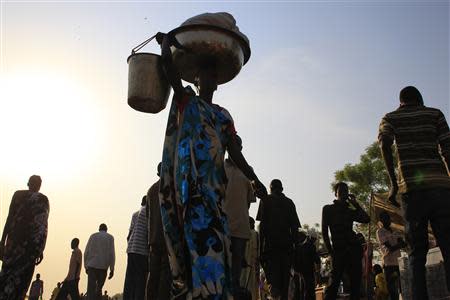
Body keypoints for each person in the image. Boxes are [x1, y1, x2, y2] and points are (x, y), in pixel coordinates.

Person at [156, 32, 267, 299]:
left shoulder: (222, 115)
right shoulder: (187, 103)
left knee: (217, 244)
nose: (210, 79)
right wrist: (166, 45)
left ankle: (213, 293)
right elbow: (170, 71)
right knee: (191, 243)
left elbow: (235, 152)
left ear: (217, 83)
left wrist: (254, 177)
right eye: (205, 74)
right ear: (196, 80)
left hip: (215, 194)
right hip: (190, 191)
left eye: (213, 76)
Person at [379, 86, 450, 299]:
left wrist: (393, 183)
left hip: (412, 192)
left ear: (401, 101)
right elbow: (447, 149)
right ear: (420, 100)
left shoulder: (390, 118)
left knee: (416, 255)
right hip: (440, 189)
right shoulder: (435, 114)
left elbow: (384, 143)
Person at [0, 175, 49, 300]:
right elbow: (42, 227)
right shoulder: (42, 200)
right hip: (29, 248)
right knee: (21, 282)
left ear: (28, 183)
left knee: (6, 278)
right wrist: (40, 249)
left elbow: (9, 218)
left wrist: (2, 242)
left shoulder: (18, 195)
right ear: (39, 185)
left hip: (13, 245)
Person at [321, 182, 370, 300]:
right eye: (341, 191)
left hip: (353, 250)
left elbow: (366, 219)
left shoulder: (349, 210)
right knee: (334, 284)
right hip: (338, 250)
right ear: (335, 193)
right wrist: (331, 252)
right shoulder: (328, 209)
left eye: (346, 191)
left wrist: (356, 205)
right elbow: (324, 232)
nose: (344, 193)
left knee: (355, 285)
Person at [223, 135, 257, 299]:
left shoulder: (248, 170)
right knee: (223, 258)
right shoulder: (219, 167)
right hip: (222, 222)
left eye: (238, 146)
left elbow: (250, 199)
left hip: (241, 222)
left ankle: (235, 285)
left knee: (237, 258)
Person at [257, 179, 301, 300]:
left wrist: (260, 249)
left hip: (271, 249)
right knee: (284, 284)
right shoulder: (289, 203)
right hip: (286, 249)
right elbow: (295, 229)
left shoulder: (266, 200)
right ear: (282, 189)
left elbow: (262, 227)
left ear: (270, 189)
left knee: (273, 285)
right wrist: (296, 250)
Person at [146, 163, 170, 300]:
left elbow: (148, 216)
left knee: (153, 275)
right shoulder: (169, 187)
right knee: (165, 275)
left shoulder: (151, 190)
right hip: (167, 237)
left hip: (153, 238)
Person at [123, 196, 148, 300]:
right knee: (140, 280)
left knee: (129, 279)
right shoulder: (148, 213)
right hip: (142, 251)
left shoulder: (135, 214)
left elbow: (129, 235)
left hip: (131, 249)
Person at [376, 212, 405, 300]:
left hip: (398, 263)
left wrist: (400, 244)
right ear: (381, 220)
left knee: (402, 288)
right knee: (392, 290)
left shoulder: (395, 231)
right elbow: (389, 248)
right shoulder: (380, 232)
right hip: (389, 264)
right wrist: (399, 245)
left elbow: (402, 243)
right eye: (385, 218)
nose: (388, 220)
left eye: (388, 218)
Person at [84, 224, 115, 300]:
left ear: (99, 229)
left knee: (91, 290)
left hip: (92, 266)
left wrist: (86, 266)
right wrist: (112, 269)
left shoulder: (93, 236)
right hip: (103, 267)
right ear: (106, 229)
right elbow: (112, 254)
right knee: (99, 290)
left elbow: (86, 252)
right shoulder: (110, 238)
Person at [294, 231, 320, 300]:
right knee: (309, 290)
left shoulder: (301, 246)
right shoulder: (311, 246)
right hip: (308, 272)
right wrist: (318, 271)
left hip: (301, 272)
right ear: (313, 238)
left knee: (303, 289)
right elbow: (317, 260)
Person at [240, 217, 261, 300]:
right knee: (253, 288)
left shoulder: (243, 234)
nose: (253, 225)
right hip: (251, 266)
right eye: (252, 224)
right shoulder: (254, 234)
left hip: (247, 266)